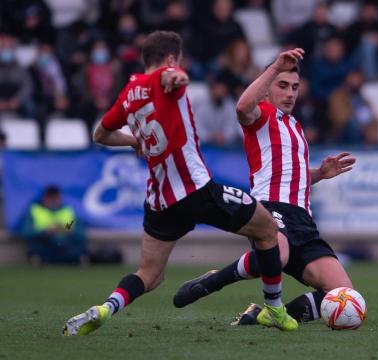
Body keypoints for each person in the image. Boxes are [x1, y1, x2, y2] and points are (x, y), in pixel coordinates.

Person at [62, 31, 297, 336]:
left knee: (149, 274)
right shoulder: (168, 76)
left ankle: (107, 307)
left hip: (160, 200)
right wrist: (176, 79)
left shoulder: (128, 93)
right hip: (196, 189)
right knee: (267, 231)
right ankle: (276, 309)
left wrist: (133, 139)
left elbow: (100, 135)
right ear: (172, 58)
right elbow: (173, 78)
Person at [173, 48, 357, 326]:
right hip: (271, 209)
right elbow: (242, 108)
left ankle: (261, 317)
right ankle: (213, 281)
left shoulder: (294, 125)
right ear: (267, 90)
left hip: (303, 221)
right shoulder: (262, 116)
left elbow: (288, 173)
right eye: (282, 86)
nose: (290, 93)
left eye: (294, 87)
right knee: (277, 256)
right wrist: (273, 68)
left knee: (344, 293)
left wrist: (319, 173)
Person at [19, 185, 88, 266]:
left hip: (66, 245)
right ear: (44, 198)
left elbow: (81, 234)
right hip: (45, 244)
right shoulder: (35, 210)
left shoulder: (68, 212)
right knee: (36, 250)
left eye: (55, 197)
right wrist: (45, 232)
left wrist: (67, 231)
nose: (53, 200)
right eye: (50, 197)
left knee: (78, 250)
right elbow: (26, 232)